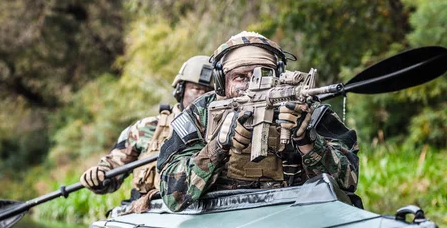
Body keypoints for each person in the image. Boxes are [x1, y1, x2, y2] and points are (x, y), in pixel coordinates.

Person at [157, 31, 359, 212]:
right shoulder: (201, 113)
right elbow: (172, 196)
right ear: (221, 81)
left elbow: (348, 183)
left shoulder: (308, 111)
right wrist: (217, 147)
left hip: (294, 215)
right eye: (240, 77)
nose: (251, 85)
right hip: (223, 217)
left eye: (263, 74)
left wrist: (308, 141)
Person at [80, 56, 214, 210]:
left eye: (208, 92)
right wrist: (99, 175)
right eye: (195, 89)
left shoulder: (221, 133)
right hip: (148, 211)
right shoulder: (147, 128)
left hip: (198, 211)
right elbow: (112, 171)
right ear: (180, 90)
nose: (201, 96)